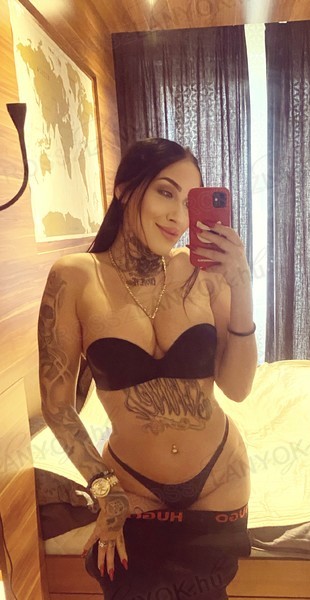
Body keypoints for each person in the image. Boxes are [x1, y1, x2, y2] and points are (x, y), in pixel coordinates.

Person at [38, 138, 257, 599]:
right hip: (131, 491)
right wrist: (105, 491)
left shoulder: (201, 273)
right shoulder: (74, 277)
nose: (178, 215)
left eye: (190, 201)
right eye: (165, 192)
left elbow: (238, 388)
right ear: (123, 189)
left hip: (220, 481)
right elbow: (57, 407)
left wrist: (241, 286)